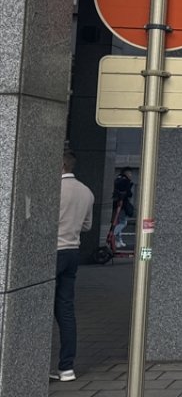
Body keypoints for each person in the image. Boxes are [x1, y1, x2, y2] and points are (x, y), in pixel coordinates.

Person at [52, 150, 94, 382]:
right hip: (72, 251)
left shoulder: (53, 189)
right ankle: (66, 367)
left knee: (37, 307)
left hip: (52, 251)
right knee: (66, 311)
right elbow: (87, 226)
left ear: (61, 165)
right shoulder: (86, 191)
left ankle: (31, 363)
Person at [111, 168, 134, 249]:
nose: (131, 175)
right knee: (123, 222)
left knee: (118, 222)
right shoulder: (125, 181)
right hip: (121, 205)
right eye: (130, 173)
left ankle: (118, 240)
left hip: (115, 204)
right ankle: (113, 235)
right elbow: (129, 193)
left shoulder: (118, 179)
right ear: (126, 173)